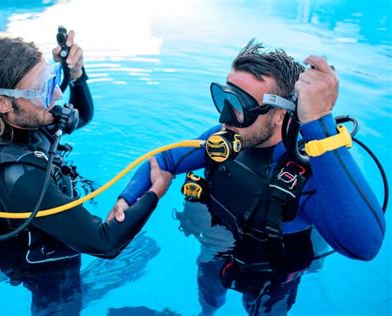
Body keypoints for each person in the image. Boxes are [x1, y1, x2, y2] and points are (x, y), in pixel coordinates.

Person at [109, 41, 386, 315]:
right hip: (218, 249)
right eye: (224, 98)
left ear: (279, 115)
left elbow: (364, 246)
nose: (225, 117)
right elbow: (165, 159)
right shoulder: (221, 138)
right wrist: (126, 199)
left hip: (275, 276)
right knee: (208, 297)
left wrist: (320, 122)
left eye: (240, 105)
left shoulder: (308, 175)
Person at [0, 31, 172, 315]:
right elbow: (104, 243)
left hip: (54, 238)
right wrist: (155, 191)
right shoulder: (19, 178)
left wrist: (77, 75)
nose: (57, 95)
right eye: (40, 89)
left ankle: (88, 292)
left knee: (141, 251)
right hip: (47, 273)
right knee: (66, 302)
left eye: (51, 80)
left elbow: (80, 116)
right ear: (1, 102)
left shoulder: (18, 122)